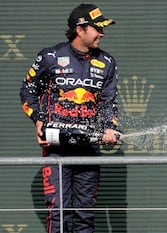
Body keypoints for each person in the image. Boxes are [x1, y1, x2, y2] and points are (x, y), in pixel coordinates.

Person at [20, 3, 122, 233]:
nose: (102, 33)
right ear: (80, 29)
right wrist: (38, 120)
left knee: (85, 216)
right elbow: (27, 91)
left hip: (89, 148)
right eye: (97, 28)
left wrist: (109, 128)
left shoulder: (107, 63)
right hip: (57, 147)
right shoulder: (50, 57)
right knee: (57, 215)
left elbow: (108, 103)